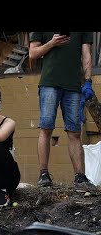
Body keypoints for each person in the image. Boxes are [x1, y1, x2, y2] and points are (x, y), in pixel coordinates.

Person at [29, 32, 95, 188]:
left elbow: (86, 54)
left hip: (73, 86)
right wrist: (52, 43)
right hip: (49, 83)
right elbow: (32, 53)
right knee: (46, 128)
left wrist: (88, 81)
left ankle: (80, 176)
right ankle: (43, 174)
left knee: (75, 132)